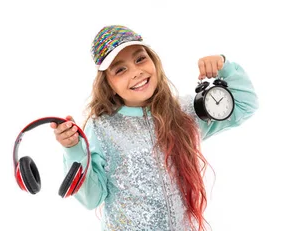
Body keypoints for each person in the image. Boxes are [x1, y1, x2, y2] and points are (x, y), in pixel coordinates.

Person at [49, 25, 258, 231]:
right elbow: (91, 198)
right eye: (120, 69)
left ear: (154, 61)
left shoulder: (185, 112)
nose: (136, 72)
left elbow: (246, 104)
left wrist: (224, 66)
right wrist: (74, 149)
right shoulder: (103, 127)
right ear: (108, 84)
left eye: (140, 59)